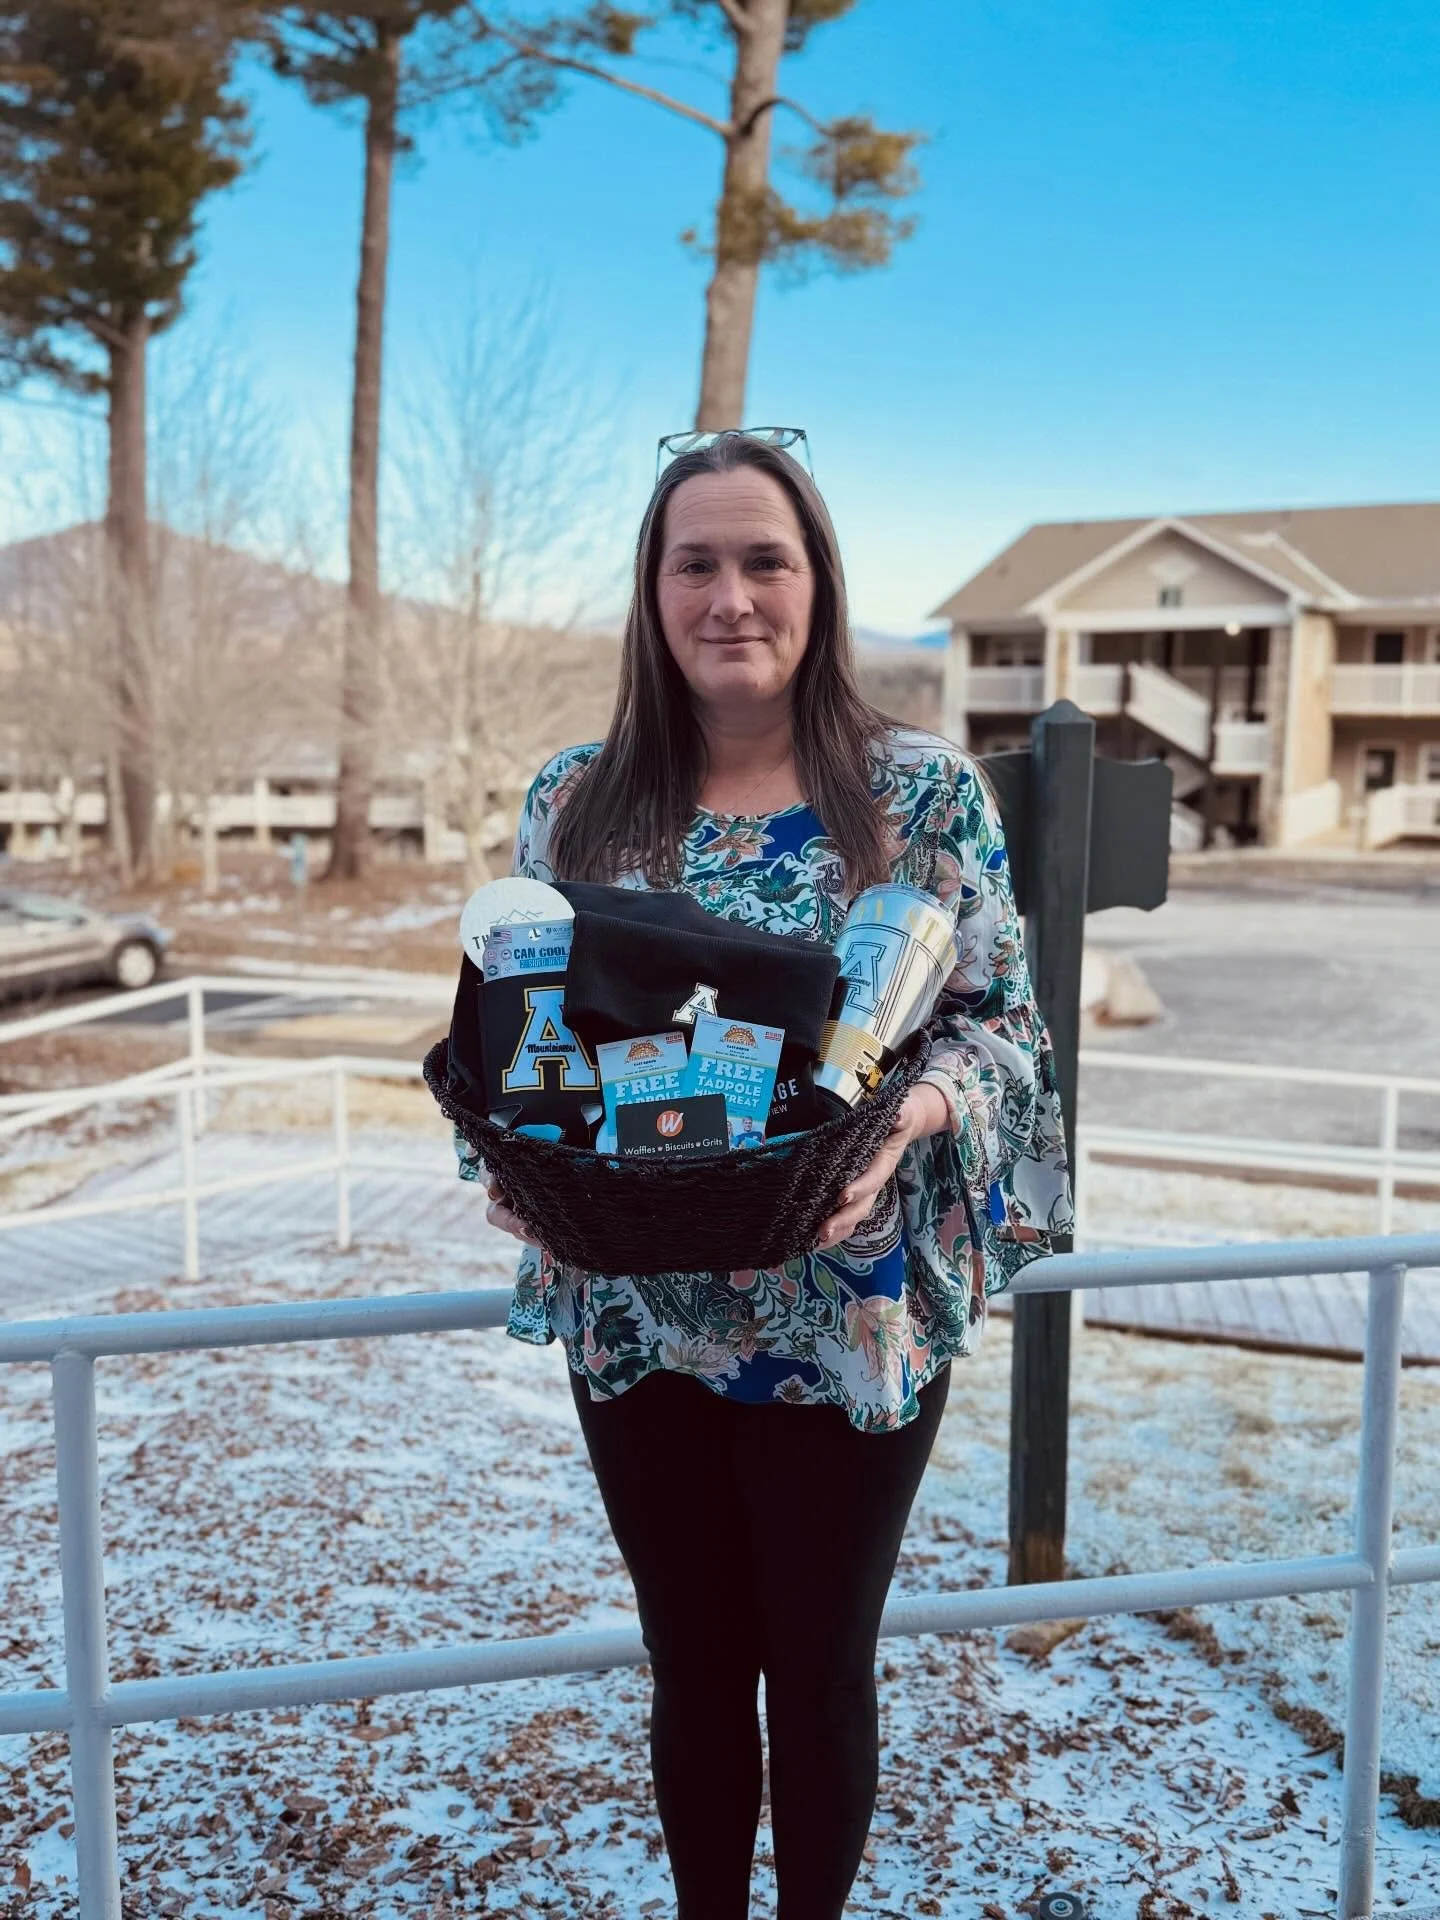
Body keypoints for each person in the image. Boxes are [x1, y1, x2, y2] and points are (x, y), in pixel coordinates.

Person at [478, 428, 1072, 1920]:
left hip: (845, 1301)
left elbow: (1005, 1034)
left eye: (765, 560)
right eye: (697, 562)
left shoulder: (921, 799)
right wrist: (512, 1159)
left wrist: (907, 1123)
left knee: (815, 1670)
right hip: (633, 1305)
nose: (730, 594)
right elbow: (511, 1028)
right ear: (652, 589)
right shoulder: (576, 801)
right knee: (691, 1663)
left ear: (817, 587)